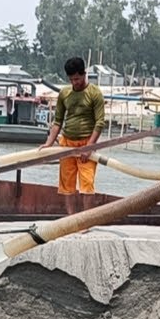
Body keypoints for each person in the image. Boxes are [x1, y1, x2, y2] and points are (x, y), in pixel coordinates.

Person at [41, 57, 106, 214]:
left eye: (77, 78)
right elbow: (58, 122)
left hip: (87, 144)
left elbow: (100, 123)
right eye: (71, 79)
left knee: (87, 184)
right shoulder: (65, 93)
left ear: (84, 74)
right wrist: (49, 143)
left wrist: (89, 147)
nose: (74, 82)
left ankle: (85, 221)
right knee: (67, 184)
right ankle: (71, 218)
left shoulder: (94, 93)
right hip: (67, 143)